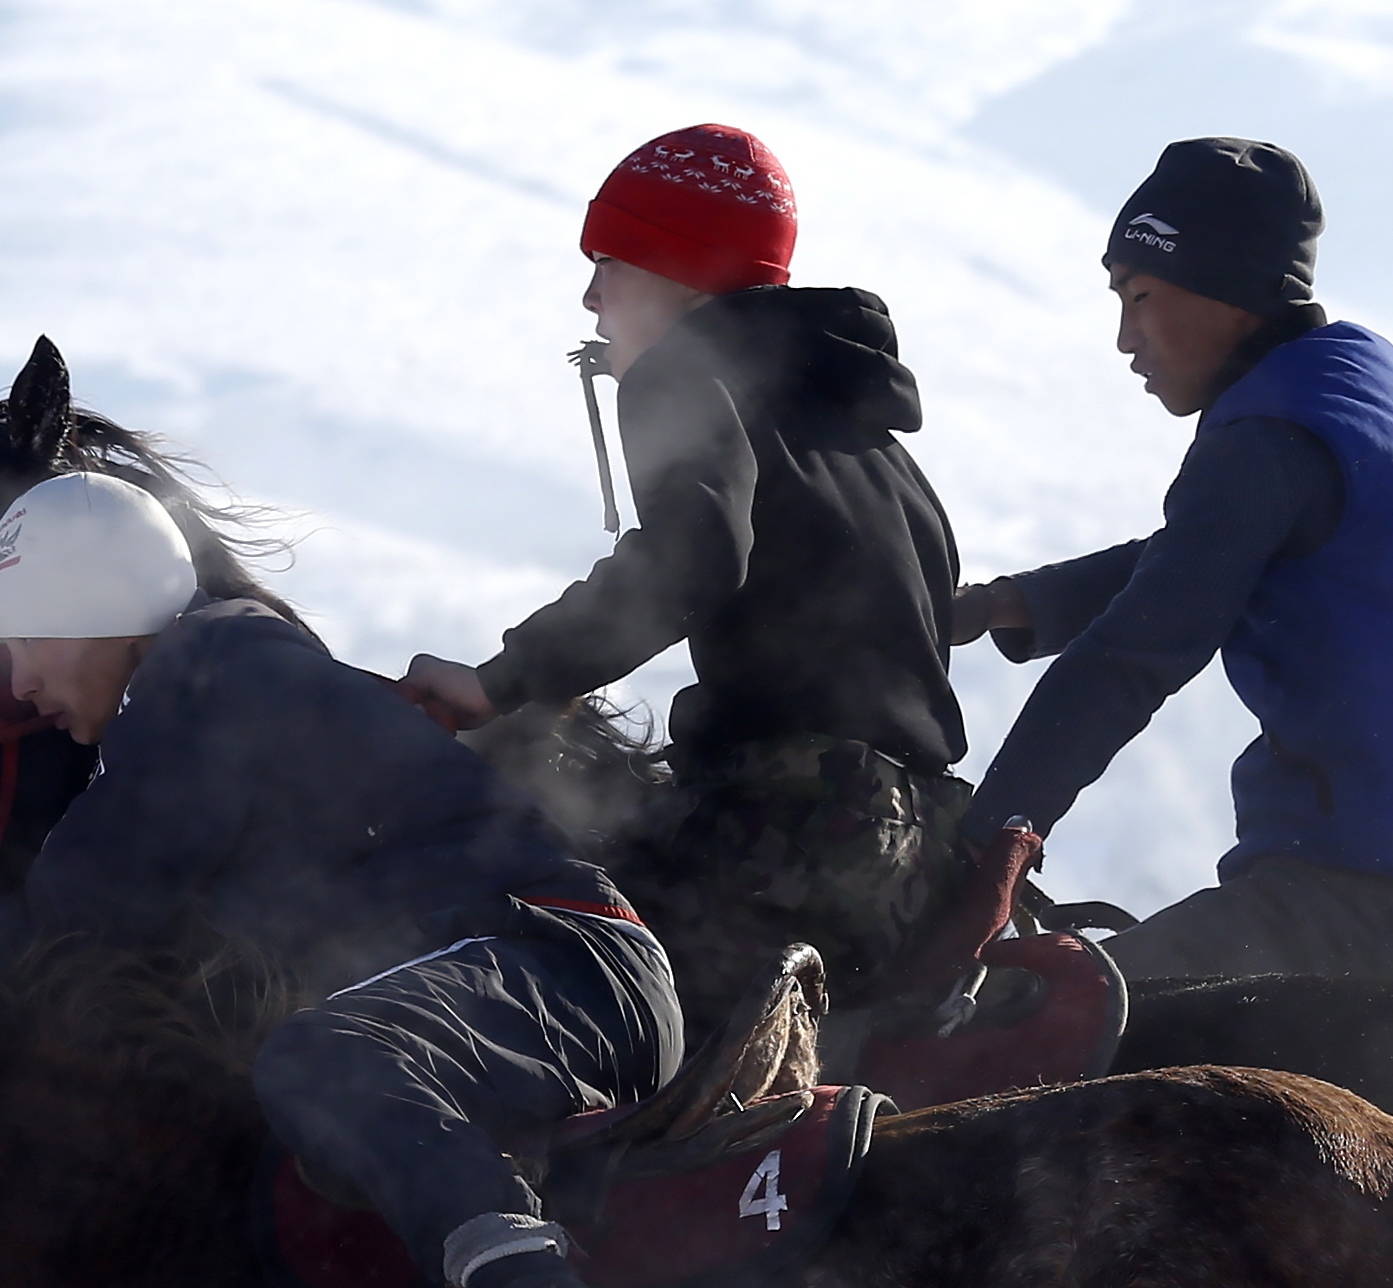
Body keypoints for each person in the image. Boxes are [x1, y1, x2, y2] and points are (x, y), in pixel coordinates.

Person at [0, 469, 682, 1288]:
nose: (18, 684)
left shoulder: (204, 684)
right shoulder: (219, 676)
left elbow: (72, 930)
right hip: (545, 965)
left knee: (329, 1061)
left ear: (97, 612)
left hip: (559, 962)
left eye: (28, 641)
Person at [399, 125, 972, 1010]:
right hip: (918, 844)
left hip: (789, 830)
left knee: (524, 973)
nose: (591, 298)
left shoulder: (683, 377)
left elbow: (694, 554)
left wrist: (498, 683)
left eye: (612, 262)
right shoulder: (870, 442)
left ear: (677, 270)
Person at [948, 137, 1393, 985]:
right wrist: (1000, 605)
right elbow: (1190, 560)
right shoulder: (1359, 380)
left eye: (1140, 295)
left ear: (1226, 291)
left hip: (1368, 898)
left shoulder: (1265, 442)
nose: (1126, 340)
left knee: (1023, 1023)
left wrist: (986, 849)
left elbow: (1131, 658)